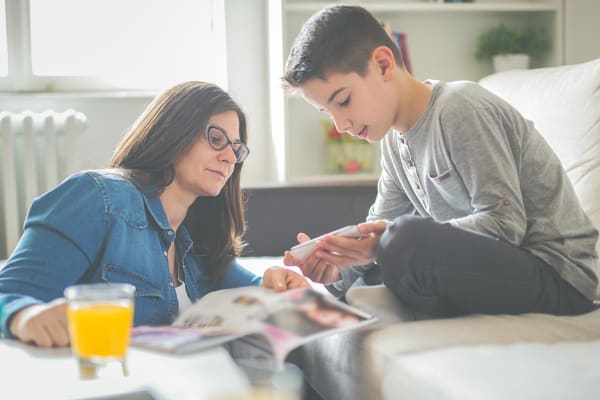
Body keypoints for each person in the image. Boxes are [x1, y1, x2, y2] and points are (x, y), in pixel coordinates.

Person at [282, 5, 599, 317]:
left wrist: (388, 242)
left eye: (344, 101)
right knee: (388, 251)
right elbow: (376, 229)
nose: (342, 125)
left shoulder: (460, 109)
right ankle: (385, 293)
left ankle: (396, 297)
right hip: (494, 270)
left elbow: (506, 226)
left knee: (402, 242)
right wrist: (336, 269)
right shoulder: (393, 141)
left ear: (382, 64)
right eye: (329, 112)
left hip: (558, 276)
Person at [0, 81, 309, 347]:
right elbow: (9, 292)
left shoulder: (199, 239)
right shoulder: (98, 197)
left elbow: (253, 286)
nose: (229, 157)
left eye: (237, 148)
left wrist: (274, 281)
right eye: (216, 139)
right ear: (173, 131)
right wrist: (23, 315)